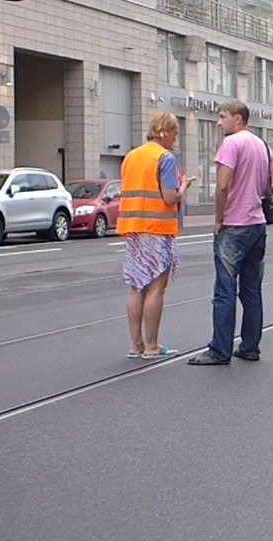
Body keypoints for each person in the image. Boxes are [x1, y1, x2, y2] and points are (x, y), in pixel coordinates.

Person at [188, 100, 269, 366]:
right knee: (252, 290)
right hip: (257, 223)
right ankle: (250, 346)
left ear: (238, 118)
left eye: (222, 117)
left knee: (224, 290)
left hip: (234, 224)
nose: (219, 122)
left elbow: (222, 186)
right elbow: (266, 185)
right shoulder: (260, 145)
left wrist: (218, 219)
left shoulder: (232, 143)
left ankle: (220, 349)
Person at [118, 112, 191, 360]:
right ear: (165, 131)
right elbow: (169, 197)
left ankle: (135, 344)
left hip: (133, 228)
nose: (175, 140)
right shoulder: (164, 158)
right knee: (155, 288)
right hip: (157, 229)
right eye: (174, 134)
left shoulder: (131, 156)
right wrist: (183, 187)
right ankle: (151, 346)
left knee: (136, 285)